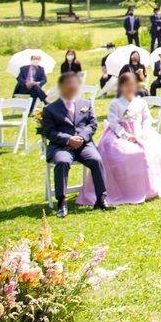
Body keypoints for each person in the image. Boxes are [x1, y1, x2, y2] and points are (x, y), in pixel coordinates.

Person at [79, 73, 161, 206]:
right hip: (120, 133)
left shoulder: (141, 102)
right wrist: (126, 136)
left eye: (132, 85)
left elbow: (147, 119)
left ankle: (151, 186)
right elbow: (114, 124)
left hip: (140, 131)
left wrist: (144, 132)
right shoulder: (115, 104)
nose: (130, 88)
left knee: (153, 148)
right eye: (126, 86)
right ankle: (127, 189)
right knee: (124, 153)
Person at [41, 73, 114, 217]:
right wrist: (68, 140)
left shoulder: (86, 104)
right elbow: (49, 132)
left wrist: (80, 138)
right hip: (61, 146)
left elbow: (92, 124)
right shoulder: (50, 109)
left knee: (96, 160)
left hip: (83, 143)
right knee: (62, 161)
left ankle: (101, 198)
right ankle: (62, 203)